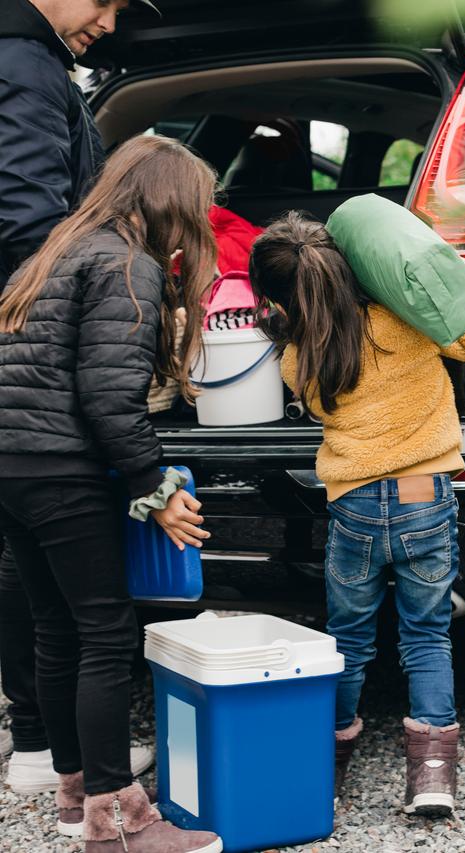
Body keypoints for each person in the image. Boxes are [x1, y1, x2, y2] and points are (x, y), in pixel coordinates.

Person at [0, 134, 222, 853]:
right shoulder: (127, 264)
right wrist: (154, 486)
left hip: (13, 464)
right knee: (106, 632)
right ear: (169, 202)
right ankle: (115, 821)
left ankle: (75, 791)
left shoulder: (59, 246)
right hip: (61, 468)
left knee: (56, 628)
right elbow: (108, 396)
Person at [247, 212, 465, 818]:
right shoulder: (404, 322)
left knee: (349, 640)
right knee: (426, 632)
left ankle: (328, 765)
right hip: (423, 494)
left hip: (356, 505)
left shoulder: (299, 357)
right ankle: (433, 775)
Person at [0, 0, 159, 793]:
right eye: (107, 1)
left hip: (14, 426)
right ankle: (106, 802)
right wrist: (152, 482)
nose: (111, 19)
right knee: (99, 621)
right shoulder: (26, 66)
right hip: (49, 421)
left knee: (45, 596)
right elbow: (28, 219)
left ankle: (48, 757)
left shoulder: (35, 62)